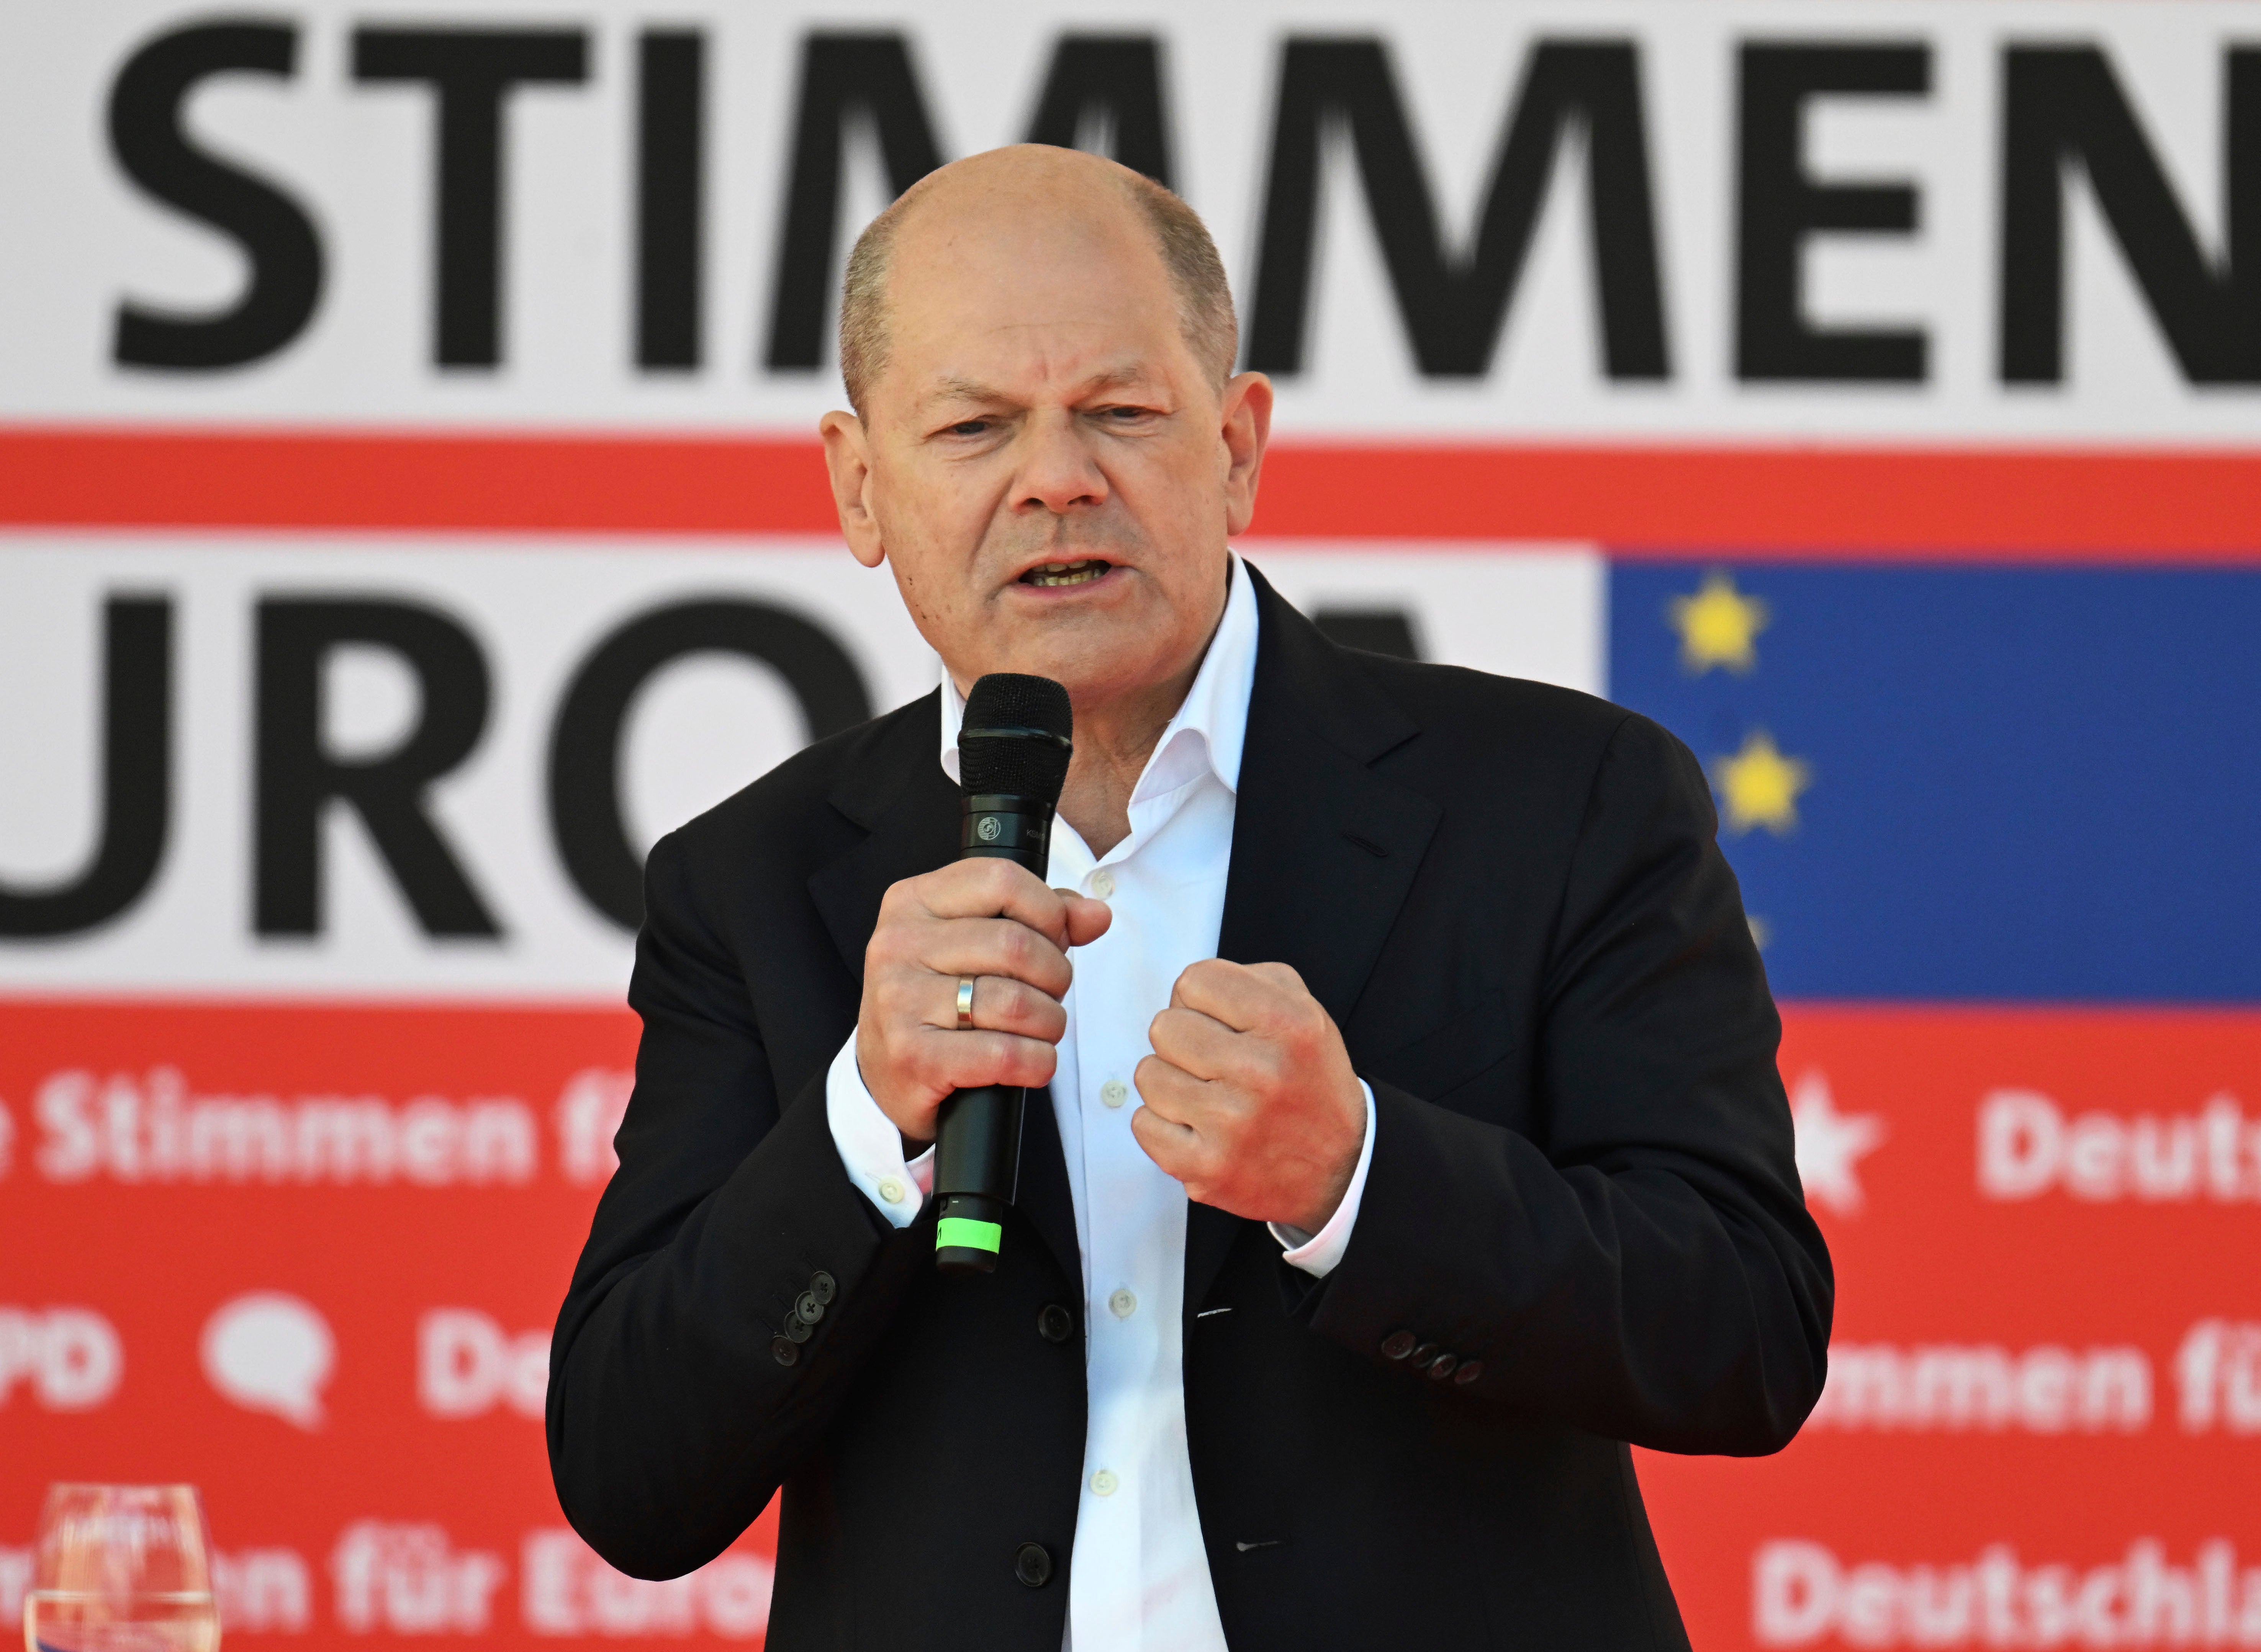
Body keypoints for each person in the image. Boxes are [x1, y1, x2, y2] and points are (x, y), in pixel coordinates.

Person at [547, 144, 1832, 1651]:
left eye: (1121, 411)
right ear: (860, 484)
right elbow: (631, 1475)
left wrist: (1361, 1179)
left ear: (1236, 444)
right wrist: (858, 1119)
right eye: (975, 426)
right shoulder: (753, 880)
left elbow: (1746, 1331)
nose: (1056, 476)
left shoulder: (1563, 800)